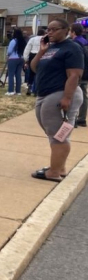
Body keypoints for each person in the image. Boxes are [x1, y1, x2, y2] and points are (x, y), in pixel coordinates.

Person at [30, 19, 83, 181]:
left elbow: (74, 75)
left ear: (66, 30)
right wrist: (41, 51)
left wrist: (67, 98)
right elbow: (34, 67)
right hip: (45, 93)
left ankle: (54, 172)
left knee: (58, 135)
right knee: (52, 132)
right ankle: (59, 167)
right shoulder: (51, 48)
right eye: (48, 29)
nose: (50, 32)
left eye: (54, 29)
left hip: (61, 93)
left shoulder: (72, 48)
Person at [70, 24, 88, 127]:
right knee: (84, 96)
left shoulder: (74, 44)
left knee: (74, 95)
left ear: (73, 32)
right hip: (86, 73)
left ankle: (73, 119)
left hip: (77, 73)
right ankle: (82, 119)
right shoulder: (85, 42)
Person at [24, 27, 45, 96]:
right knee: (40, 73)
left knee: (32, 73)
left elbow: (27, 49)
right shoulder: (45, 39)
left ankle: (29, 87)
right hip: (42, 55)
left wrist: (26, 59)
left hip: (32, 55)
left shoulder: (32, 39)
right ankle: (37, 89)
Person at [6, 28, 27, 95]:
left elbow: (9, 51)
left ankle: (10, 90)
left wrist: (8, 55)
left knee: (11, 75)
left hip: (13, 59)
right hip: (21, 58)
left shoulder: (13, 41)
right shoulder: (23, 41)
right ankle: (18, 91)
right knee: (18, 75)